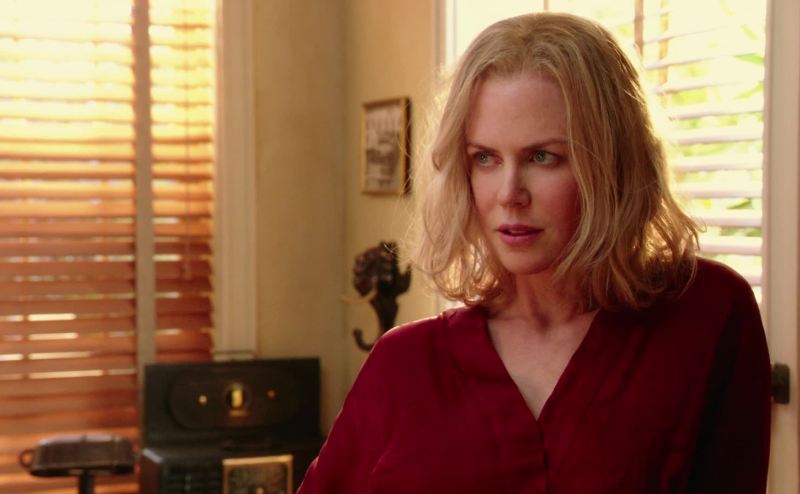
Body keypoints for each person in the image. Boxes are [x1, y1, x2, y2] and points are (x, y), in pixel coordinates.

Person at [298, 12, 771, 494]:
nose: (509, 194)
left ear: (614, 163)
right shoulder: (403, 364)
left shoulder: (707, 315)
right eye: (485, 158)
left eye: (543, 157)